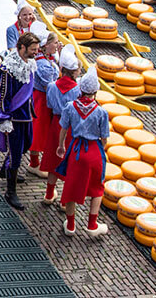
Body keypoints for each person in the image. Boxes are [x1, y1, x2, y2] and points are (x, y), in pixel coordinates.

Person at [54, 65, 109, 237]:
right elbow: (104, 138)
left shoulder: (70, 107)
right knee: (97, 188)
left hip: (76, 150)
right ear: (95, 91)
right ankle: (92, 224)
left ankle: (71, 225)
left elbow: (63, 129)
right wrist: (101, 150)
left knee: (71, 187)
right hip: (94, 151)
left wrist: (61, 146)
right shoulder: (101, 112)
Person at [0, 32, 39, 210]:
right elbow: (1, 96)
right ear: (22, 47)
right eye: (33, 49)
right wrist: (4, 118)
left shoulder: (30, 63)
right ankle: (10, 191)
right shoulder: (8, 70)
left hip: (26, 115)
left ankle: (5, 170)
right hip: (14, 118)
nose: (36, 52)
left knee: (27, 144)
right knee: (15, 155)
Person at [41, 44, 81, 203]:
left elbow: (49, 105)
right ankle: (65, 201)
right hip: (71, 127)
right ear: (74, 72)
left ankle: (49, 194)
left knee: (53, 160)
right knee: (69, 163)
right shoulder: (77, 90)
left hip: (56, 124)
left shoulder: (52, 86)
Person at [28, 22, 59, 178]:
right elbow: (50, 87)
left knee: (42, 131)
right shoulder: (42, 64)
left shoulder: (47, 58)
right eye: (55, 43)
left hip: (43, 99)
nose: (57, 45)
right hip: (42, 100)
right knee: (38, 131)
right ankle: (34, 164)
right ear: (46, 45)